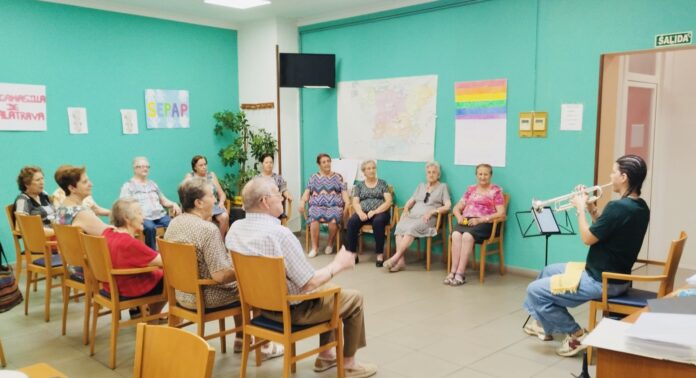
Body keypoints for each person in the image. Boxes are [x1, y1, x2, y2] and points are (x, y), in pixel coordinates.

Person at [226, 177, 377, 378]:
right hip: (292, 312)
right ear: (264, 201)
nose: (281, 197)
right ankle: (349, 363)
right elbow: (308, 283)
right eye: (276, 193)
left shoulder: (235, 229)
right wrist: (338, 264)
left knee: (329, 289)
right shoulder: (280, 234)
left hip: (259, 309)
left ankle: (326, 355)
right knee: (353, 297)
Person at [522, 155, 650, 357]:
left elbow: (588, 238)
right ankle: (543, 324)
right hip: (615, 275)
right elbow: (607, 229)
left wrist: (580, 210)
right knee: (547, 270)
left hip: (602, 279)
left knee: (534, 291)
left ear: (624, 177)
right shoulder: (640, 207)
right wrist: (592, 209)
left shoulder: (618, 207)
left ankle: (576, 335)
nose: (610, 175)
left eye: (613, 172)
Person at [164, 177, 283, 359]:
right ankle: (264, 345)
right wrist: (246, 266)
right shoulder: (208, 229)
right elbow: (221, 276)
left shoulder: (174, 223)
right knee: (252, 287)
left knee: (237, 283)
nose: (215, 200)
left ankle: (241, 338)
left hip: (182, 294)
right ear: (198, 203)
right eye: (211, 196)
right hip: (206, 296)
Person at [102, 198, 166, 318]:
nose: (144, 217)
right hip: (128, 288)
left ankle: (149, 313)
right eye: (139, 213)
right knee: (171, 277)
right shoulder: (130, 243)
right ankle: (153, 316)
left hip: (110, 286)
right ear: (127, 218)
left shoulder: (107, 233)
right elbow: (166, 261)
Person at [384, 161, 451, 272]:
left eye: (434, 172)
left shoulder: (443, 187)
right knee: (399, 227)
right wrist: (405, 209)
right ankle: (401, 262)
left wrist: (433, 211)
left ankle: (395, 257)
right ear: (426, 174)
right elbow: (411, 200)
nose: (431, 174)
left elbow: (448, 206)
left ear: (438, 175)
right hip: (413, 216)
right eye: (429, 172)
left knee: (410, 229)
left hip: (428, 218)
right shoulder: (421, 186)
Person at [446, 163, 505, 285]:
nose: (483, 177)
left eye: (485, 174)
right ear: (476, 175)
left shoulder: (496, 190)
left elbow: (501, 212)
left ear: (490, 175)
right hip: (467, 221)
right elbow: (457, 207)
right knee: (456, 235)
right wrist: (459, 216)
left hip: (486, 223)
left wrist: (481, 219)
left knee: (467, 236)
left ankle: (460, 274)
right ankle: (452, 272)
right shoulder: (471, 189)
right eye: (480, 174)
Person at [120, 157, 181, 249]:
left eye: (147, 167)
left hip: (159, 216)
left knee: (174, 223)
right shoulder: (128, 186)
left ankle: (172, 250)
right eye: (142, 166)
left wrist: (174, 204)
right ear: (135, 169)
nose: (145, 169)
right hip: (143, 217)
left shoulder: (153, 184)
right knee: (150, 228)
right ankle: (151, 253)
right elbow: (123, 205)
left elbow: (163, 200)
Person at [298, 153, 349, 258]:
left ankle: (330, 244)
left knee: (333, 219)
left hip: (334, 206)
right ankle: (315, 248)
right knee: (314, 218)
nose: (327, 164)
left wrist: (347, 205)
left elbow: (344, 194)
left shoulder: (338, 177)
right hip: (317, 206)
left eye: (328, 161)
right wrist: (302, 202)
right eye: (324, 162)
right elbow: (307, 193)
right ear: (319, 164)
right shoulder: (313, 177)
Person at [345, 160, 392, 267]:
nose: (372, 170)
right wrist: (360, 212)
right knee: (352, 222)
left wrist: (375, 211)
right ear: (364, 172)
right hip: (364, 212)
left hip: (380, 212)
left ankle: (380, 255)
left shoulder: (382, 183)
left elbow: (388, 201)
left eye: (373, 168)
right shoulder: (359, 186)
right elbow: (355, 202)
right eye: (369, 168)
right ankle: (353, 254)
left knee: (378, 222)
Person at [184, 155, 229, 236]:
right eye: (201, 165)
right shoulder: (190, 176)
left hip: (213, 205)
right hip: (199, 207)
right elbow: (187, 195)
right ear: (195, 167)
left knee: (224, 216)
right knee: (207, 219)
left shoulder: (211, 175)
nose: (204, 167)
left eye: (205, 164)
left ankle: (220, 239)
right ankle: (206, 242)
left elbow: (222, 194)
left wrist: (221, 202)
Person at [13, 166, 56, 237]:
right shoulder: (23, 200)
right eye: (37, 180)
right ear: (27, 184)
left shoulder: (43, 194)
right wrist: (55, 232)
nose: (42, 182)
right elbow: (19, 226)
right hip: (42, 240)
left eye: (42, 179)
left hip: (55, 233)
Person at [256, 153, 292, 219]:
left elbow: (284, 190)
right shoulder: (257, 178)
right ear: (262, 164)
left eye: (271, 162)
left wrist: (288, 195)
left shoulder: (278, 178)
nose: (269, 164)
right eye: (266, 162)